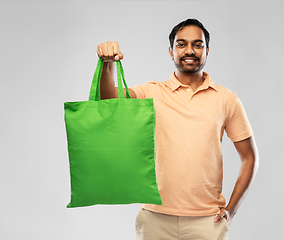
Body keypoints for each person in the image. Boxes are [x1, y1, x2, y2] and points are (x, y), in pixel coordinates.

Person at [97, 19, 259, 240]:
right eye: (181, 44)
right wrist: (108, 64)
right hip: (155, 220)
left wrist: (231, 209)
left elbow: (249, 158)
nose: (189, 50)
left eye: (197, 44)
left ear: (207, 50)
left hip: (207, 222)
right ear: (171, 51)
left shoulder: (226, 99)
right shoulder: (152, 92)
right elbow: (108, 102)